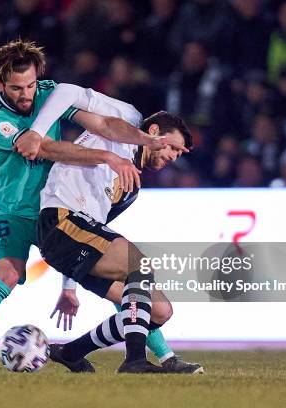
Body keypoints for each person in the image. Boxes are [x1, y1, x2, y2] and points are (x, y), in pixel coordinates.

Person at [0, 39, 185, 372]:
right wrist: (106, 156)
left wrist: (142, 140)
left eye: (31, 85)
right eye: (17, 88)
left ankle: (163, 356)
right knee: (8, 273)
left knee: (125, 290)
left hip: (59, 208)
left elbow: (102, 124)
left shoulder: (48, 94)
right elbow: (44, 149)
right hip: (13, 210)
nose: (26, 94)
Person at [28, 83, 202, 373]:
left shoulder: (131, 188)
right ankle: (134, 361)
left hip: (73, 238)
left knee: (158, 311)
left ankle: (71, 352)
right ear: (154, 130)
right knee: (139, 266)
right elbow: (68, 92)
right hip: (59, 219)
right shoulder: (128, 118)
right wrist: (36, 133)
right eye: (172, 146)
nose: (172, 156)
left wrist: (68, 287)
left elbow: (93, 232)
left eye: (178, 155)